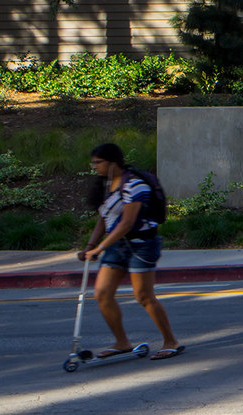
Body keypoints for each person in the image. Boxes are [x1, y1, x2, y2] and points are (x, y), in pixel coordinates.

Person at [78, 142, 183, 361]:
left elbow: (126, 223)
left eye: (98, 162)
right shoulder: (106, 185)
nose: (94, 166)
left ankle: (170, 341)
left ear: (112, 163)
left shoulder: (135, 185)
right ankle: (122, 342)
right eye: (93, 163)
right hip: (116, 245)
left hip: (141, 244)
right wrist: (90, 246)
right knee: (102, 294)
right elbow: (104, 218)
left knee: (144, 296)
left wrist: (100, 248)